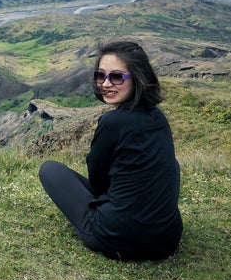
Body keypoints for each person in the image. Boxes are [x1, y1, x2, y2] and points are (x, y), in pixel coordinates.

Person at [38, 40, 182, 261]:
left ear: (138, 78)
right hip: (167, 241)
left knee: (50, 169)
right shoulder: (157, 117)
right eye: (100, 75)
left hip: (116, 239)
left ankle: (111, 223)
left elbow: (97, 181)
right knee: (172, 163)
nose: (105, 83)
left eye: (116, 76)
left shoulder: (113, 121)